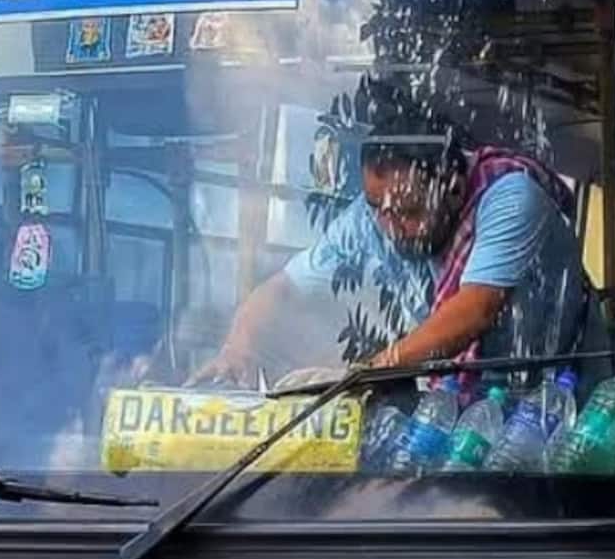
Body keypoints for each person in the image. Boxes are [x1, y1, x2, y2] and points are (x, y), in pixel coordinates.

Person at [191, 129, 589, 386]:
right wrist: (238, 348)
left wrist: (366, 374)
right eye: (378, 207)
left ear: (451, 187)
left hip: (558, 423)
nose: (390, 225)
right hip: (461, 422)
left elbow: (474, 310)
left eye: (410, 212)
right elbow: (285, 289)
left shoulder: (510, 196)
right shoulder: (374, 215)